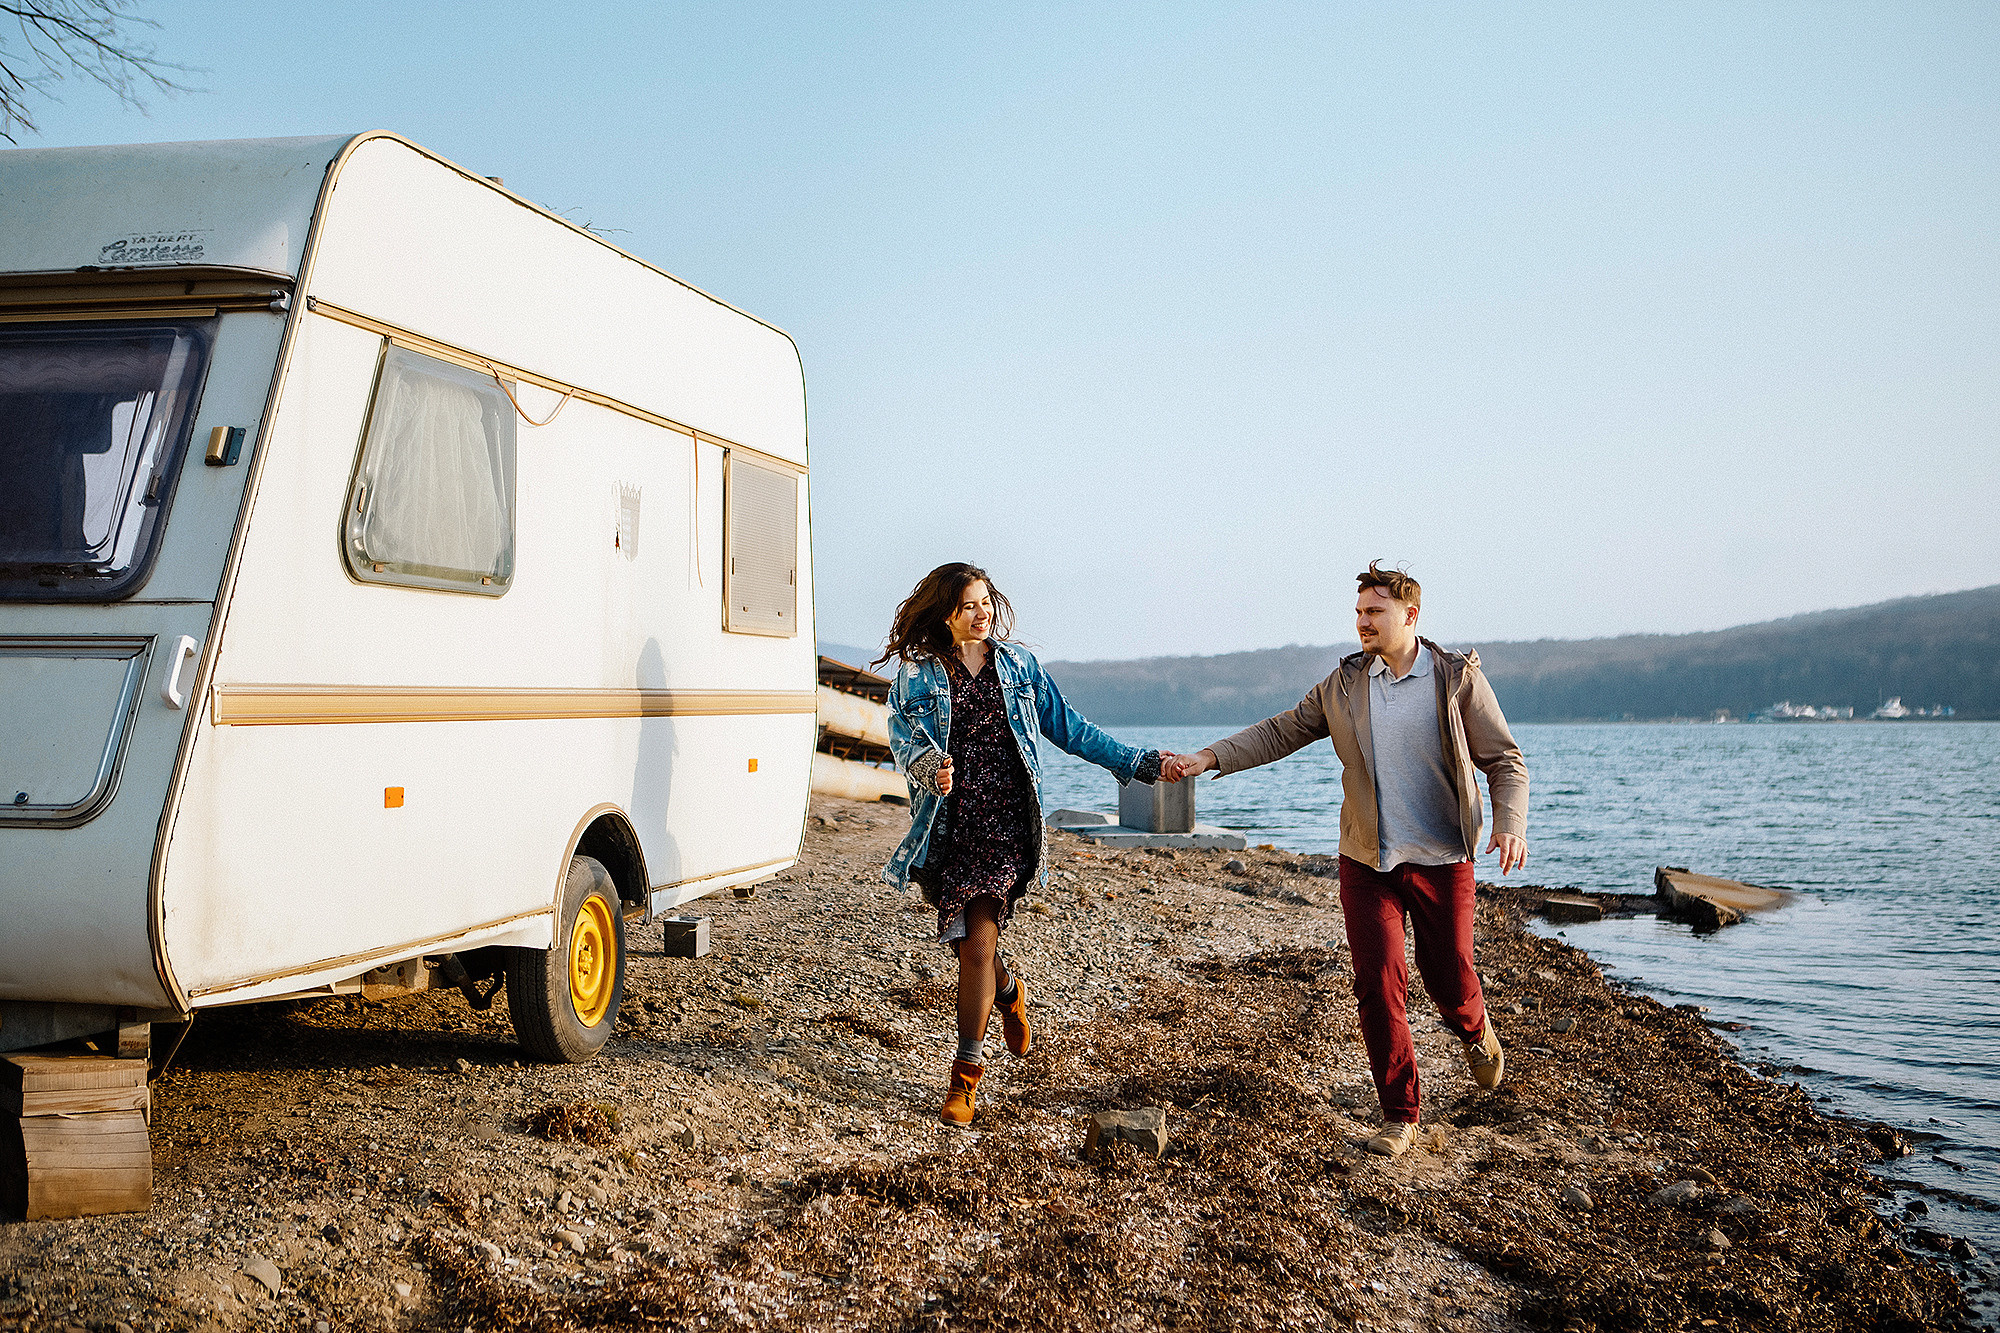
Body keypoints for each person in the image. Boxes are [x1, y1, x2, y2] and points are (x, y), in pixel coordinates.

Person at [1174, 562, 1528, 1157]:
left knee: (1450, 976)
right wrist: (1210, 757)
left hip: (1443, 857)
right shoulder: (1343, 686)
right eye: (1359, 612)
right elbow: (1282, 730)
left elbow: (1505, 760)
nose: (1362, 623)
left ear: (1410, 616)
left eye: (1375, 613)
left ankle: (1475, 1029)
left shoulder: (1455, 680)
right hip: (1368, 860)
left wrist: (1509, 824)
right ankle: (1400, 1114)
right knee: (1378, 982)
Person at [878, 563, 1181, 1126]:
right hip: (951, 826)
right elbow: (901, 743)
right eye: (969, 605)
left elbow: (1072, 730)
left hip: (1009, 825)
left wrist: (1137, 763)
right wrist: (927, 767)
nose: (982, 612)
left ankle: (965, 1078)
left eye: (986, 601)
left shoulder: (1019, 666)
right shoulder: (917, 676)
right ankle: (1010, 990)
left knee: (973, 947)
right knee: (975, 948)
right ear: (946, 612)